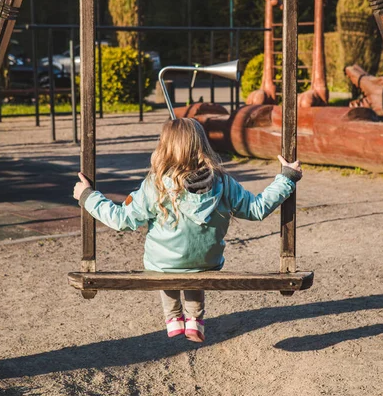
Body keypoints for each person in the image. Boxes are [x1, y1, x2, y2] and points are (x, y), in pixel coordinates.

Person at [73, 118, 302, 343]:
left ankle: (173, 319)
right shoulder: (223, 182)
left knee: (164, 265)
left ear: (164, 147)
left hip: (164, 264)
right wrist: (286, 178)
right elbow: (256, 209)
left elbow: (121, 219)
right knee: (195, 265)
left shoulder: (157, 184)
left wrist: (87, 196)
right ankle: (194, 320)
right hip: (206, 262)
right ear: (202, 145)